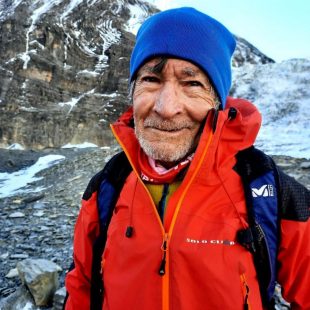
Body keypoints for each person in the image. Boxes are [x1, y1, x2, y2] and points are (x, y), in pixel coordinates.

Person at [65, 7, 310, 310]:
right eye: (151, 79)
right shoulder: (106, 188)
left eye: (192, 83)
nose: (166, 108)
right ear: (132, 92)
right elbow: (81, 291)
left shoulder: (269, 191)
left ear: (218, 103)